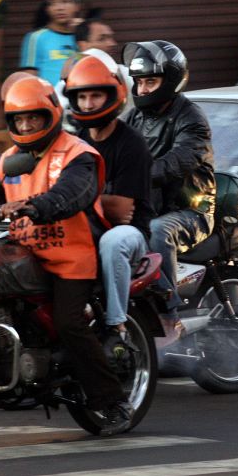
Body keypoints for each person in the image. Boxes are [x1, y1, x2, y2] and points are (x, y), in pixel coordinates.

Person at [0, 76, 133, 435]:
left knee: (69, 323)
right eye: (19, 120)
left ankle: (112, 400)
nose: (26, 126)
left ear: (50, 113)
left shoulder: (77, 154)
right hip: (26, 254)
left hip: (72, 258)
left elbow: (74, 193)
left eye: (32, 118)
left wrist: (37, 207)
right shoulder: (8, 161)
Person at [123, 41, 216, 330]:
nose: (143, 89)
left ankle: (168, 314)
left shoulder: (191, 118)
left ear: (172, 80)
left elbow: (176, 162)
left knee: (157, 231)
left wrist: (133, 176)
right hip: (150, 205)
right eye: (139, 82)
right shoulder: (135, 116)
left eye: (151, 81)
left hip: (190, 209)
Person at [64, 55, 154, 340]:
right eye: (82, 97)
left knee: (113, 242)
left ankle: (117, 325)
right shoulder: (76, 141)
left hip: (130, 233)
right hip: (85, 228)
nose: (88, 104)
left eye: (95, 96)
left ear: (111, 96)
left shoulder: (131, 143)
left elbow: (122, 212)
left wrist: (78, 199)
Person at [19, 0, 84, 86]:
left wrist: (82, 31)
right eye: (52, 3)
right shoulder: (36, 38)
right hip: (49, 101)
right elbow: (28, 79)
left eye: (65, 1)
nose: (59, 8)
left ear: (77, 6)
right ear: (47, 9)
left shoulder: (85, 35)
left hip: (82, 100)